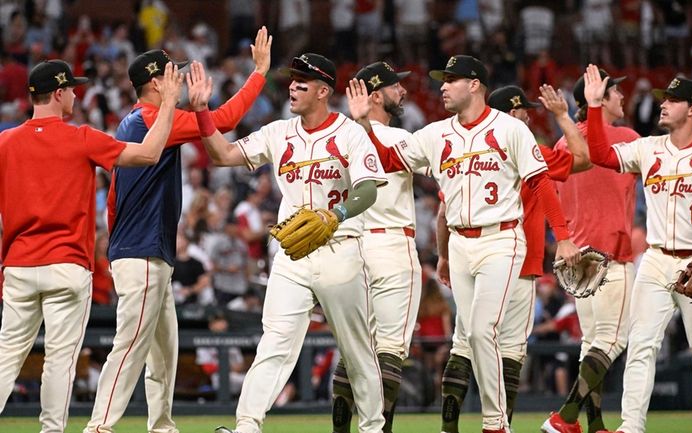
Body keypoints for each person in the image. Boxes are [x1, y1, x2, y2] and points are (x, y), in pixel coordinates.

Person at [347, 55, 581, 433]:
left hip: (501, 238)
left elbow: (540, 182)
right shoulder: (436, 133)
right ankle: (485, 424)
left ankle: (495, 424)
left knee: (479, 330)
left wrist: (565, 239)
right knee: (470, 334)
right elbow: (389, 160)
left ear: (475, 84)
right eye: (443, 78)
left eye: (452, 79)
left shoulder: (510, 129)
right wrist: (363, 124)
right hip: (459, 243)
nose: (442, 85)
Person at [85, 28, 272, 433]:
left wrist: (117, 249)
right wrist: (258, 73)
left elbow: (115, 199)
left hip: (140, 251)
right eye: (174, 73)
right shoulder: (155, 119)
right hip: (143, 251)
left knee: (164, 350)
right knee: (131, 345)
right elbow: (224, 121)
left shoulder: (134, 122)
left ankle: (163, 426)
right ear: (156, 82)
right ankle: (98, 427)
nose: (181, 78)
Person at [188, 52, 388, 433]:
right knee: (275, 341)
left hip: (340, 248)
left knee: (356, 346)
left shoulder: (349, 133)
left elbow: (368, 189)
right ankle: (247, 425)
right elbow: (223, 154)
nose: (293, 87)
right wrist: (201, 112)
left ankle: (373, 427)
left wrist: (337, 215)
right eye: (292, 80)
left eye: (303, 82)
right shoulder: (278, 132)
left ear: (324, 90)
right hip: (293, 252)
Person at [0, 58, 181, 433]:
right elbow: (147, 155)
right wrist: (168, 105)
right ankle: (52, 430)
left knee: (5, 358)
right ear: (61, 92)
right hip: (67, 264)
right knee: (60, 360)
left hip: (18, 264)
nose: (76, 94)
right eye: (72, 88)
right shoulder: (80, 136)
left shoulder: (4, 142)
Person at [581, 64, 692, 433]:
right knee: (641, 345)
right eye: (663, 99)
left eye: (673, 100)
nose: (663, 105)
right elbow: (602, 155)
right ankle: (631, 426)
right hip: (655, 258)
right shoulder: (648, 147)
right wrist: (592, 107)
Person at [436, 84, 593, 433]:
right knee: (508, 352)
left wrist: (444, 256)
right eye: (521, 110)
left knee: (463, 346)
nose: (526, 116)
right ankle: (499, 425)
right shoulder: (529, 149)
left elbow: (444, 211)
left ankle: (449, 428)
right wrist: (563, 116)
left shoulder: (464, 152)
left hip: (470, 258)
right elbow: (583, 158)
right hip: (516, 261)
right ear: (508, 113)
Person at [542, 68, 640, 433]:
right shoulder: (625, 139)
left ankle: (595, 425)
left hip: (577, 258)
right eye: (617, 92)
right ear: (600, 97)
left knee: (592, 343)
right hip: (611, 255)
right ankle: (565, 416)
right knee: (614, 340)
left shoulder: (565, 143)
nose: (623, 98)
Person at [329, 61, 421, 433]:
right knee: (389, 352)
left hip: (354, 249)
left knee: (353, 353)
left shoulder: (339, 138)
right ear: (377, 95)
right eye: (396, 86)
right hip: (393, 247)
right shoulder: (398, 138)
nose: (403, 91)